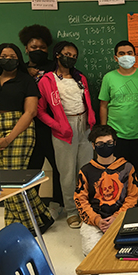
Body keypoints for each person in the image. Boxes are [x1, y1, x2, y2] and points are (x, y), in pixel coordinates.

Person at [0, 43, 54, 233]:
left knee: (11, 179)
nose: (8, 59)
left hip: (20, 130)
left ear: (19, 58)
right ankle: (41, 216)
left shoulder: (26, 80)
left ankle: (26, 223)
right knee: (2, 177)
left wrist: (9, 138)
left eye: (12, 56)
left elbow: (30, 112)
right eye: (4, 56)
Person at [37, 41, 96, 229]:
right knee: (67, 173)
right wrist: (57, 126)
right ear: (57, 55)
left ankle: (85, 208)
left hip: (84, 125)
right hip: (64, 129)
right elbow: (40, 111)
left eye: (73, 55)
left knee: (86, 170)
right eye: (67, 54)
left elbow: (86, 101)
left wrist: (90, 121)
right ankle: (71, 211)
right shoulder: (47, 80)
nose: (70, 58)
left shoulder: (80, 78)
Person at [19, 24, 64, 218]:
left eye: (42, 48)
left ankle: (57, 204)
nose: (38, 51)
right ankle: (31, 206)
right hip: (28, 126)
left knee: (59, 166)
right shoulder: (18, 68)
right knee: (32, 168)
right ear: (26, 49)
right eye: (33, 47)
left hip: (51, 125)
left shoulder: (55, 67)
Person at [99, 40, 138, 204]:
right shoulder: (109, 77)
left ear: (135, 55)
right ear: (116, 58)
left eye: (129, 53)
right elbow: (103, 105)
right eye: (122, 53)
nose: (126, 56)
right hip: (116, 134)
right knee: (116, 172)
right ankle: (118, 204)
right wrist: (105, 132)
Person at [74, 125, 138, 255]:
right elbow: (81, 200)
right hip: (95, 220)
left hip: (121, 217)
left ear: (115, 143)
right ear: (93, 145)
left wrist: (116, 217)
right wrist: (97, 220)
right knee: (92, 252)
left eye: (109, 143)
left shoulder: (127, 168)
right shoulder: (86, 171)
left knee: (129, 249)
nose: (105, 146)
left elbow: (133, 197)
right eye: (100, 144)